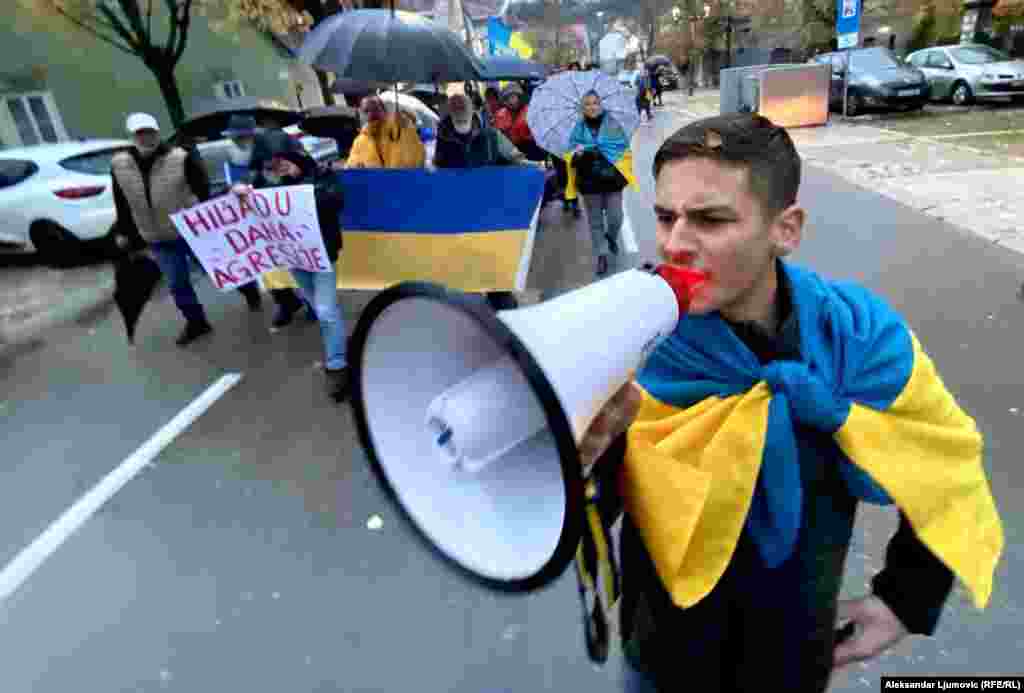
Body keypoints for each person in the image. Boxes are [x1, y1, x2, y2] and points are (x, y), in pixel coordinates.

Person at [577, 113, 1004, 692]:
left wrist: (905, 597)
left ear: (786, 229)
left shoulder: (858, 337)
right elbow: (580, 519)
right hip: (663, 658)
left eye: (710, 219)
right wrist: (577, 468)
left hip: (794, 658)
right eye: (665, 216)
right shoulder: (624, 339)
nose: (676, 244)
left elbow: (943, 461)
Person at [110, 112, 261, 346]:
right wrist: (124, 231)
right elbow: (121, 199)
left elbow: (202, 189)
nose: (146, 137)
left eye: (149, 131)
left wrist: (207, 218)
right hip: (156, 236)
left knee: (219, 268)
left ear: (157, 132)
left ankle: (248, 289)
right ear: (132, 136)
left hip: (191, 231)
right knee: (177, 282)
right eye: (140, 133)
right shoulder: (120, 165)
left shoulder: (179, 158)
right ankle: (196, 322)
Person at [231, 142, 349, 402]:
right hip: (295, 258)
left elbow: (335, 200)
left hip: (321, 256)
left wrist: (303, 194)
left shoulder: (323, 176)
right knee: (321, 310)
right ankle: (339, 342)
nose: (281, 166)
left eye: (284, 160)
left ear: (297, 157)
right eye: (276, 163)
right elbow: (250, 202)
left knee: (327, 311)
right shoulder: (275, 187)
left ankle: (337, 366)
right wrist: (241, 192)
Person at [433, 93, 527, 312]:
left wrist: (524, 165)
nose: (461, 123)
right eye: (457, 119)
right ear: (451, 116)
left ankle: (506, 314)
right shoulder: (443, 137)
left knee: (494, 271)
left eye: (463, 118)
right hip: (459, 214)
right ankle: (473, 314)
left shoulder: (490, 134)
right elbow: (439, 166)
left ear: (472, 114)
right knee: (466, 271)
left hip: (489, 212)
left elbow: (513, 157)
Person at [224, 116, 315, 328]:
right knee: (268, 261)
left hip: (292, 211)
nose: (236, 142)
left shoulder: (278, 141)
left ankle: (311, 304)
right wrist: (237, 188)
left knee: (302, 259)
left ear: (249, 134)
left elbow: (305, 167)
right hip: (268, 216)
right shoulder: (242, 153)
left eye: (239, 138)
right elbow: (251, 176)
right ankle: (286, 302)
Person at [566, 91, 637, 278]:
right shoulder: (578, 128)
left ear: (601, 105)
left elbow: (623, 147)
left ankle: (611, 237)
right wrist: (578, 153)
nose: (592, 107)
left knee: (616, 217)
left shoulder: (613, 124)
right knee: (595, 221)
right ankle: (601, 254)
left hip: (612, 179)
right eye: (587, 104)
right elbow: (570, 155)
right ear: (583, 108)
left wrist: (606, 150)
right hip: (589, 182)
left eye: (595, 103)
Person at [343, 95, 426, 170]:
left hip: (400, 182)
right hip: (374, 185)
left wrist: (406, 122)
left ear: (384, 110)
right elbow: (351, 165)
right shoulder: (360, 141)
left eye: (375, 109)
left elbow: (416, 155)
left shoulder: (399, 127)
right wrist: (355, 166)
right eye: (366, 111)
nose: (371, 114)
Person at [493, 84, 546, 162]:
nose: (510, 101)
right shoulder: (500, 115)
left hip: (532, 148)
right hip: (510, 150)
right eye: (507, 98)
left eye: (513, 97)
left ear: (519, 97)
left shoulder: (531, 111)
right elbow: (498, 136)